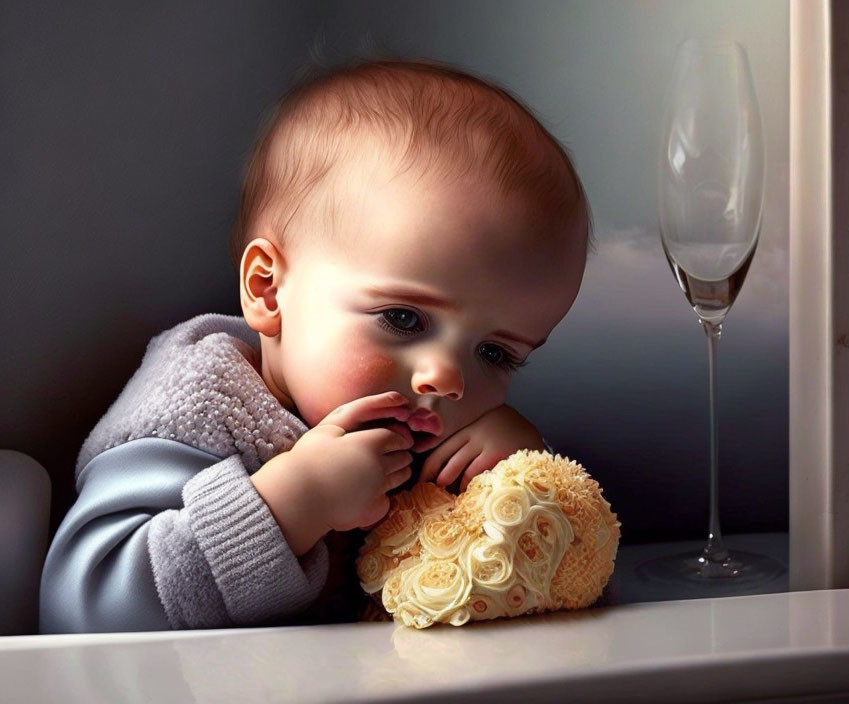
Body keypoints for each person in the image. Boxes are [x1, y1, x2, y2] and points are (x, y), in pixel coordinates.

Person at [39, 59, 593, 632]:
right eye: (404, 318)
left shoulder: (431, 435)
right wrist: (293, 504)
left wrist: (519, 473)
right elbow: (79, 611)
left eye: (495, 354)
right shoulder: (196, 412)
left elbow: (549, 585)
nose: (447, 380)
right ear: (269, 289)